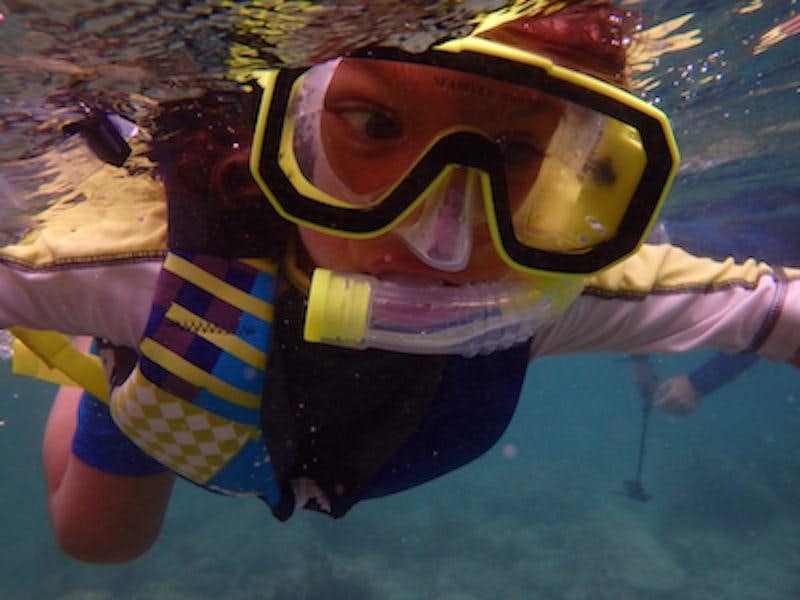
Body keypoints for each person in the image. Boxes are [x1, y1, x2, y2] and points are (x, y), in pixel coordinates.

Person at [0, 2, 798, 564]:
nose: (441, 240)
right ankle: (105, 362)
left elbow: (773, 310)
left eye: (515, 154)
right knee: (98, 542)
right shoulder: (143, 271)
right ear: (291, 130)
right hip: (175, 354)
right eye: (377, 127)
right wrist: (126, 318)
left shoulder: (555, 292)